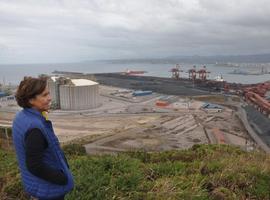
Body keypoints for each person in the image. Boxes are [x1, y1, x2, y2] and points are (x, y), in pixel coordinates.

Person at [12, 76, 74, 200]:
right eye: (44, 95)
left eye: (48, 93)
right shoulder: (35, 128)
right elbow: (35, 165)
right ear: (31, 100)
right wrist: (61, 178)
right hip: (48, 190)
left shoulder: (22, 116)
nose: (49, 98)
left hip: (36, 186)